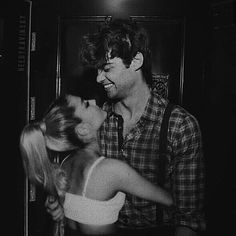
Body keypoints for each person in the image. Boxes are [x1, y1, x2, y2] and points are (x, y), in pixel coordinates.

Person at [46, 18, 206, 235]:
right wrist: (60, 201)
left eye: (107, 68)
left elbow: (189, 217)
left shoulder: (179, 126)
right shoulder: (96, 121)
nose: (99, 77)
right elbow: (80, 184)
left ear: (137, 61)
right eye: (98, 69)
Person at [20, 94, 173, 236]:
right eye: (86, 104)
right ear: (83, 129)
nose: (93, 101)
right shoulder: (110, 170)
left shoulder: (65, 164)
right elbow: (172, 200)